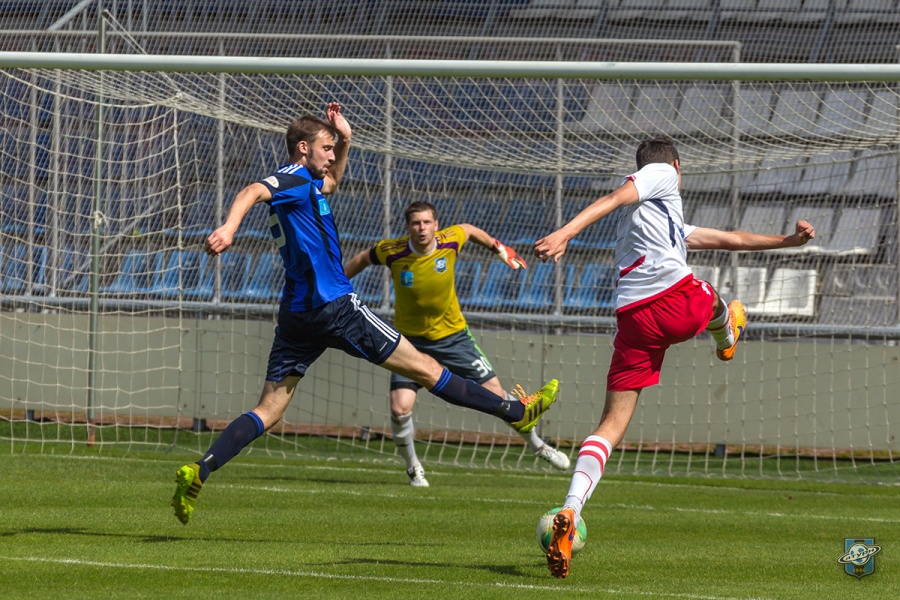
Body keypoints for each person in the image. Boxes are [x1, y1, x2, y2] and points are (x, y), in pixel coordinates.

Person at [170, 103, 560, 525]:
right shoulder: (292, 177)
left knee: (269, 409)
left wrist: (346, 139)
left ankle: (201, 470)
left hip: (298, 315)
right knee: (427, 369)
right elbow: (252, 190)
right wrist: (229, 227)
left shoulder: (308, 185)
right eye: (325, 148)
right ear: (303, 148)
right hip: (336, 306)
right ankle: (517, 412)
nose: (331, 155)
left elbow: (332, 181)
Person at [532, 136, 815, 579]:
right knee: (715, 298)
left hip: (632, 320)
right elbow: (614, 196)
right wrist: (565, 232)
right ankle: (727, 334)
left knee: (610, 425)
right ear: (677, 167)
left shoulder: (658, 222)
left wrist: (787, 241)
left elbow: (729, 239)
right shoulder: (662, 174)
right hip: (672, 300)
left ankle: (571, 509)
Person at [343, 201, 571, 486]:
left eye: (427, 222)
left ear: (436, 225)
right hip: (410, 343)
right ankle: (413, 468)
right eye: (416, 223)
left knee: (496, 395)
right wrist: (336, 285)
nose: (422, 228)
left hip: (453, 338)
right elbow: (362, 258)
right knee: (400, 407)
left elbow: (469, 229)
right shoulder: (392, 251)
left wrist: (498, 248)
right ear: (407, 227)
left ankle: (538, 446)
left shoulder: (450, 240)